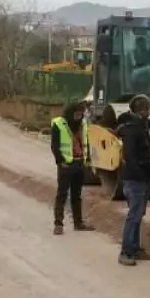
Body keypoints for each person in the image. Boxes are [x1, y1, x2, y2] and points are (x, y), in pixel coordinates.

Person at [114, 94, 150, 265]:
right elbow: (129, 156)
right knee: (134, 215)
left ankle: (135, 249)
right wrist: (140, 174)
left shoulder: (138, 124)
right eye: (148, 110)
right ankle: (125, 252)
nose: (149, 113)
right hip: (136, 179)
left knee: (138, 215)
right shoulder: (132, 129)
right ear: (141, 111)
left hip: (143, 177)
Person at [50, 101, 94, 236]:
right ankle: (58, 224)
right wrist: (60, 161)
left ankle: (78, 222)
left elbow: (86, 143)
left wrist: (87, 161)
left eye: (81, 114)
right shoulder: (59, 124)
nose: (78, 116)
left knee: (77, 196)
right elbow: (54, 145)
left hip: (79, 164)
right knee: (62, 194)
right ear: (71, 112)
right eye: (76, 114)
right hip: (66, 165)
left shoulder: (83, 125)